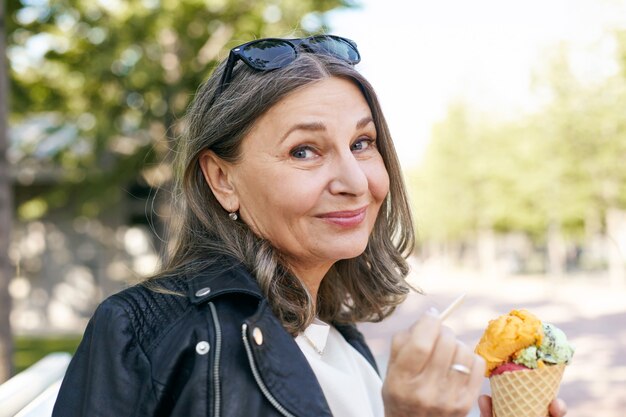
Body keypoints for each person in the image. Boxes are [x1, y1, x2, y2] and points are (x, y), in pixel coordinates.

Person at [52, 35, 567, 417]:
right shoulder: (143, 331)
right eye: (305, 150)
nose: (354, 180)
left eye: (362, 144)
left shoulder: (337, 335)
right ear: (221, 178)